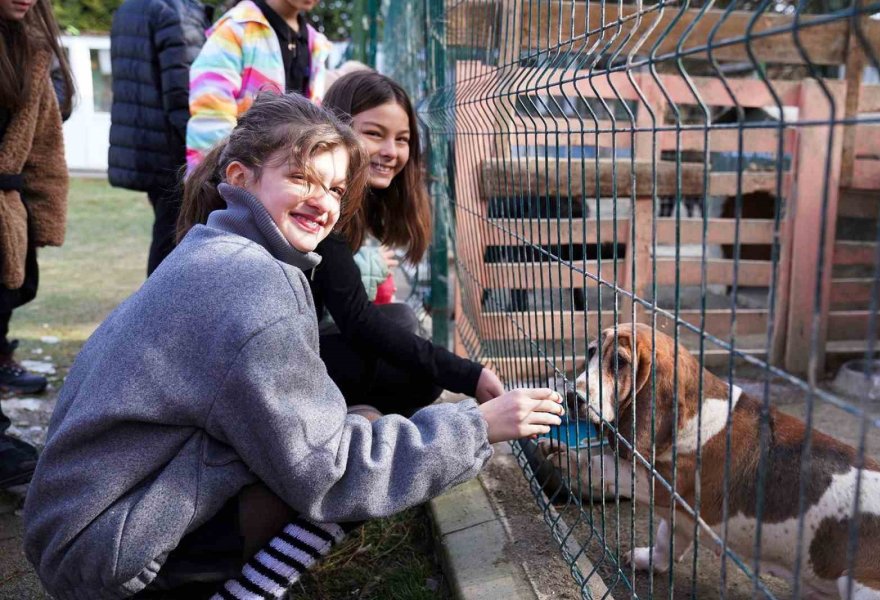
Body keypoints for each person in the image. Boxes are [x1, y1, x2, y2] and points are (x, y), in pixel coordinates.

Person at [23, 92, 564, 599]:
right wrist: (477, 426)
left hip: (81, 529)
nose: (323, 202)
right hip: (113, 556)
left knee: (350, 427)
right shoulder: (255, 283)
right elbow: (333, 473)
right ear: (241, 177)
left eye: (335, 189)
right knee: (350, 462)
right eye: (302, 178)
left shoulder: (212, 248)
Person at [315, 71, 504, 416]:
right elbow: (357, 319)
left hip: (310, 342)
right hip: (278, 360)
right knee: (421, 374)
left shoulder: (359, 203)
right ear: (336, 130)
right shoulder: (321, 203)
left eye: (402, 139)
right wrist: (467, 374)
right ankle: (342, 417)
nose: (390, 151)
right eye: (374, 134)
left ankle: (355, 409)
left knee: (402, 323)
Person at [0, 0, 73, 488]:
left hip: (9, 209)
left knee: (8, 297)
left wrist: (43, 217)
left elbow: (44, 140)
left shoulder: (31, 46)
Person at [107, 0, 214, 276]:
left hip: (146, 145)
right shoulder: (176, 11)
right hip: (174, 150)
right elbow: (185, 94)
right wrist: (209, 157)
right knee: (176, 237)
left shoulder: (130, 8)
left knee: (167, 233)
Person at [185, 0, 331, 171]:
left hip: (291, 174)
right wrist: (218, 175)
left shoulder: (315, 43)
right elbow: (210, 112)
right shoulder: (236, 28)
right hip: (235, 173)